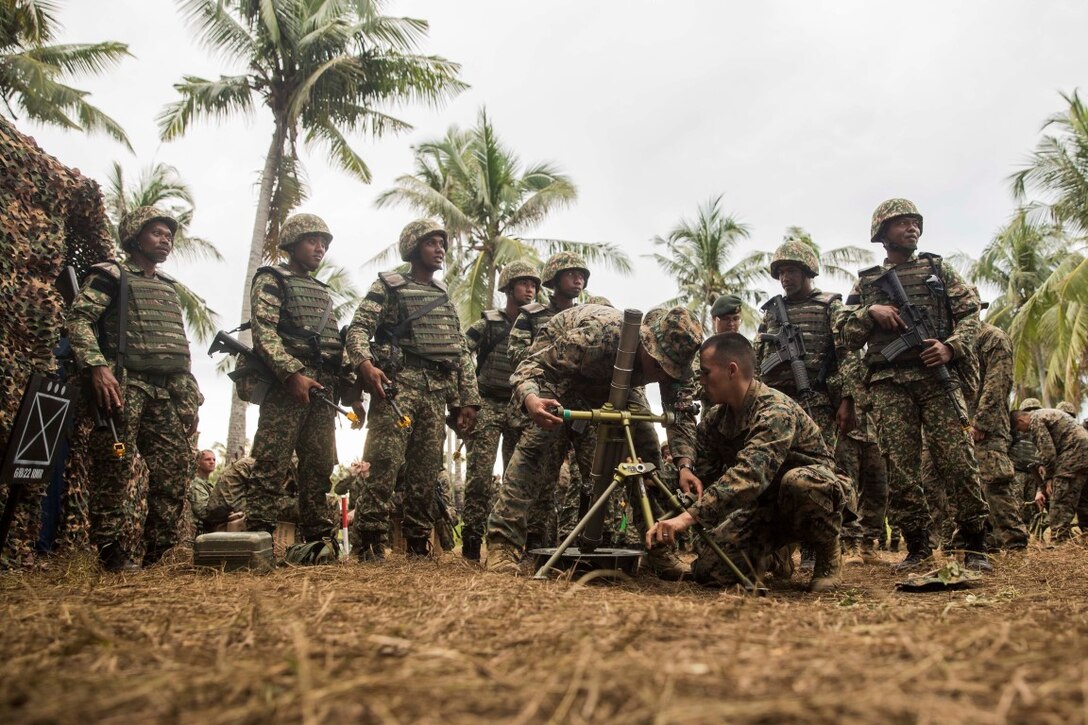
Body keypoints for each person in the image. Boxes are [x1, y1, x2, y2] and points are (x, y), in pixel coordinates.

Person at [485, 305, 702, 579]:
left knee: (646, 447)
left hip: (617, 383)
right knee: (537, 445)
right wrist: (531, 399)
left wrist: (684, 464)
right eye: (658, 366)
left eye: (670, 371)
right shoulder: (598, 337)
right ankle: (502, 544)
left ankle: (658, 548)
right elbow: (531, 366)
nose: (662, 375)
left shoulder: (679, 361)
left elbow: (680, 412)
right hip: (563, 375)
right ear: (645, 344)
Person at [838, 198, 991, 571]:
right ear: (882, 233)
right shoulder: (867, 282)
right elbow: (843, 334)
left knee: (957, 460)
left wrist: (950, 348)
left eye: (915, 222)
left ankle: (975, 544)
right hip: (890, 384)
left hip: (936, 379)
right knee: (901, 469)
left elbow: (971, 315)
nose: (912, 228)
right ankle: (917, 545)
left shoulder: (938, 269)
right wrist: (868, 311)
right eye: (902, 223)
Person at [647, 333, 847, 592]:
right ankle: (776, 553)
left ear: (732, 370)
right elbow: (708, 482)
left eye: (706, 373)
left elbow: (751, 474)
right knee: (710, 570)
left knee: (800, 483)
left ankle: (827, 552)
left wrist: (686, 519)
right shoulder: (714, 422)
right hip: (763, 507)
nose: (701, 382)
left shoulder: (774, 410)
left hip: (812, 497)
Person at [67, 206, 203, 571]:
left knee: (173, 472)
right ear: (136, 237)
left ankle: (159, 553)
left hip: (167, 391)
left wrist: (189, 398)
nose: (166, 240)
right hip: (125, 386)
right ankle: (110, 553)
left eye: (169, 235)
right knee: (115, 467)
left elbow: (177, 346)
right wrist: (96, 367)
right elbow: (79, 320)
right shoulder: (111, 275)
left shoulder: (169, 289)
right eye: (157, 233)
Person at [347, 219, 480, 561]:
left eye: (442, 243)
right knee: (384, 464)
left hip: (436, 394)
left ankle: (418, 544)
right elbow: (359, 329)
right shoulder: (389, 288)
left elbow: (460, 352)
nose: (440, 249)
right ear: (413, 247)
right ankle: (369, 541)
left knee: (425, 471)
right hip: (398, 387)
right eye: (432, 243)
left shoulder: (442, 297)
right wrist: (365, 364)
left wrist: (468, 401)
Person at [246, 213, 346, 545]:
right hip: (288, 387)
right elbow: (264, 334)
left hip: (323, 389)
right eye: (313, 241)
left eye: (325, 244)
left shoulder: (322, 291)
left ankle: (317, 543)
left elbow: (334, 346)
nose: (320, 249)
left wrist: (350, 388)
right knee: (271, 465)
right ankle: (256, 541)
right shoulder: (272, 278)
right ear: (292, 243)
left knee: (318, 468)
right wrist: (292, 373)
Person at [507, 251, 592, 550]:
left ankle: (593, 542)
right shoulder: (531, 315)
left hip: (583, 406)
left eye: (582, 275)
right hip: (548, 402)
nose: (578, 279)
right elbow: (518, 354)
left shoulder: (589, 314)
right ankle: (536, 544)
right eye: (572, 274)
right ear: (554, 279)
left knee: (593, 474)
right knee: (544, 478)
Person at [460, 260, 540, 561]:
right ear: (508, 287)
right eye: (523, 283)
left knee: (517, 479)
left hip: (520, 407)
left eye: (534, 284)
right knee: (479, 478)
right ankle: (470, 545)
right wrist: (467, 397)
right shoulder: (488, 324)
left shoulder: (536, 326)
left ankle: (510, 545)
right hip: (489, 404)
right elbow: (460, 352)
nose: (530, 288)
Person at [755, 239, 848, 451]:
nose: (785, 278)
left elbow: (847, 355)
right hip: (776, 401)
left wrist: (847, 400)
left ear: (807, 271)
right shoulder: (772, 313)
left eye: (791, 271)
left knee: (819, 460)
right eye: (781, 273)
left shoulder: (829, 306)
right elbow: (758, 354)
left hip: (815, 399)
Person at [972, 321, 1029, 550]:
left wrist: (982, 422)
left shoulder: (992, 337)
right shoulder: (954, 339)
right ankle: (986, 543)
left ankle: (1015, 544)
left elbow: (998, 384)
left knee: (996, 482)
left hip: (989, 427)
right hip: (962, 424)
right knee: (971, 487)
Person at [1012, 406, 1088, 542]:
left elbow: (1048, 453)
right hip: (1082, 452)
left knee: (1060, 497)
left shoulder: (1035, 421)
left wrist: (1049, 478)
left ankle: (1060, 539)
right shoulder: (1044, 414)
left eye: (1018, 429)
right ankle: (1086, 534)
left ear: (1020, 420)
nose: (1022, 433)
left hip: (1073, 452)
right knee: (1083, 496)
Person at [1010, 398, 1044, 519]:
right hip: (1017, 472)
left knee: (1033, 508)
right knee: (1017, 506)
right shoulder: (1015, 430)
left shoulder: (1041, 428)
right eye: (1029, 411)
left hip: (1034, 474)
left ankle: (1032, 533)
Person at [189, 449, 217, 536]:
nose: (212, 462)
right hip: (199, 532)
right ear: (198, 462)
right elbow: (203, 511)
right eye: (207, 459)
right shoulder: (196, 483)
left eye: (214, 459)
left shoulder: (207, 483)